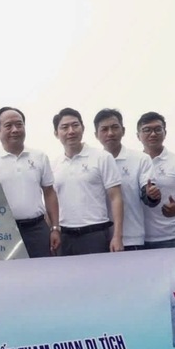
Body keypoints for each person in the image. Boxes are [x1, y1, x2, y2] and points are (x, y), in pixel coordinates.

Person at [51, 108, 124, 255]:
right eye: (64, 127)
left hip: (95, 234)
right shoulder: (54, 164)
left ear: (83, 128)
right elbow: (51, 201)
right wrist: (54, 230)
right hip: (65, 237)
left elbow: (116, 197)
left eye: (75, 125)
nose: (71, 131)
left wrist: (117, 236)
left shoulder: (102, 157)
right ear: (56, 133)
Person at [0, 107, 60, 258]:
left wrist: (55, 228)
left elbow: (49, 193)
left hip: (37, 229)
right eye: (8, 126)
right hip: (4, 232)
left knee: (41, 274)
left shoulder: (39, 156)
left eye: (19, 124)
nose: (15, 130)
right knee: (8, 277)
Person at [94, 109, 161, 250]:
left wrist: (151, 194)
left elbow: (147, 192)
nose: (110, 133)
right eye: (104, 129)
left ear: (123, 130)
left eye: (114, 127)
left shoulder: (140, 159)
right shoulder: (92, 162)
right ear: (96, 135)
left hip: (131, 238)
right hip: (98, 238)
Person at [136, 112, 175, 248]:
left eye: (158, 129)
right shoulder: (133, 163)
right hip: (139, 238)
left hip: (172, 237)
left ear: (165, 132)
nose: (153, 134)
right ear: (138, 135)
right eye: (147, 130)